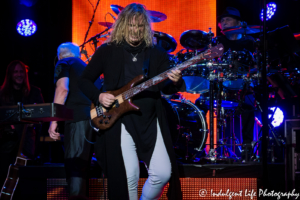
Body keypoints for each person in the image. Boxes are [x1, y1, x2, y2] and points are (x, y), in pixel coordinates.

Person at [78, 3, 184, 200]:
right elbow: (83, 80)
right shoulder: (107, 51)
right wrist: (99, 96)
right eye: (131, 27)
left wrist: (176, 81)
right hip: (119, 121)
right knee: (129, 180)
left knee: (162, 173)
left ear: (146, 28)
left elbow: (166, 87)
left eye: (140, 27)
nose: (135, 31)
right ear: (122, 26)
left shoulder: (156, 52)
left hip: (149, 120)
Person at [48, 42, 102, 197]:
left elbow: (62, 89)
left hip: (77, 119)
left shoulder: (64, 62)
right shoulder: (85, 67)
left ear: (59, 55)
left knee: (75, 166)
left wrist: (54, 120)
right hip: (93, 121)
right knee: (83, 167)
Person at [216, 7, 256, 159]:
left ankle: (246, 149)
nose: (224, 22)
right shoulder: (218, 42)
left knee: (249, 105)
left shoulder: (249, 41)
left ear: (238, 22)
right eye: (222, 20)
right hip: (222, 86)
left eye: (228, 19)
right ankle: (198, 147)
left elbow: (257, 65)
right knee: (201, 102)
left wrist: (250, 74)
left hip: (244, 86)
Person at [0, 60, 44, 188]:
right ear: (10, 75)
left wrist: (34, 122)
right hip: (6, 143)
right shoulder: (2, 94)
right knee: (5, 179)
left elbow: (42, 115)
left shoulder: (35, 92)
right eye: (16, 72)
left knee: (25, 182)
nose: (19, 74)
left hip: (27, 142)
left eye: (21, 72)